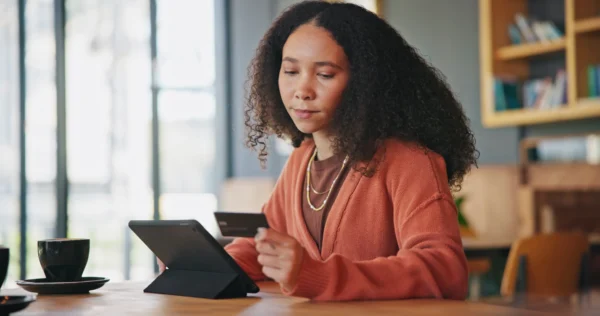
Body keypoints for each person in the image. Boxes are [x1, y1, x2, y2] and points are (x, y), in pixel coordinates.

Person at [161, 0, 478, 302]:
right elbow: (261, 246)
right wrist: (210, 265)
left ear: (365, 83)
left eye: (325, 74)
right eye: (290, 71)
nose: (302, 90)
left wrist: (318, 275)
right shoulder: (302, 159)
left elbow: (444, 270)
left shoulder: (410, 162)